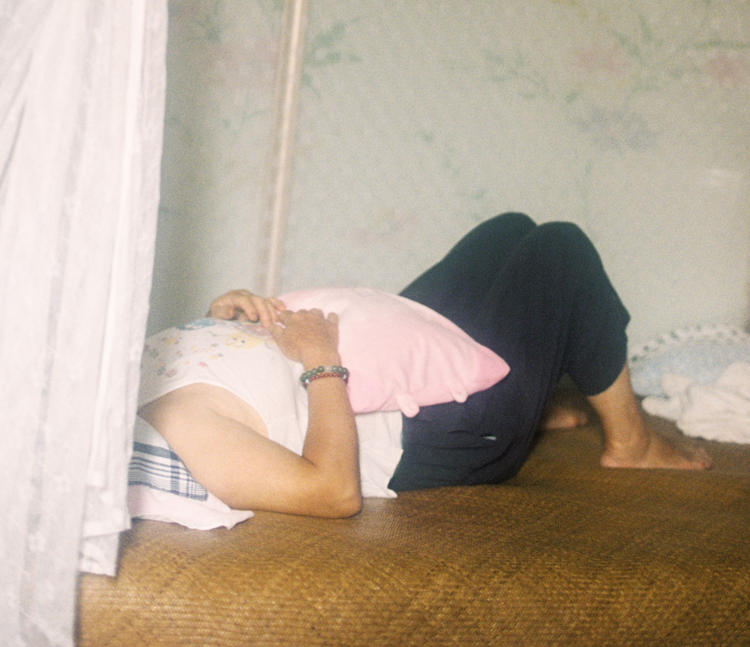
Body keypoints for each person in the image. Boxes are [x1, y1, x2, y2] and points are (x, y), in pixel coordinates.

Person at [136, 214, 710, 522]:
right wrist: (320, 358)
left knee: (505, 233)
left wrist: (223, 321)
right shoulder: (184, 427)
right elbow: (332, 493)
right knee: (560, 250)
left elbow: (239, 390)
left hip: (389, 372)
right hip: (439, 432)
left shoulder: (129, 372)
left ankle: (530, 400)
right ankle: (631, 443)